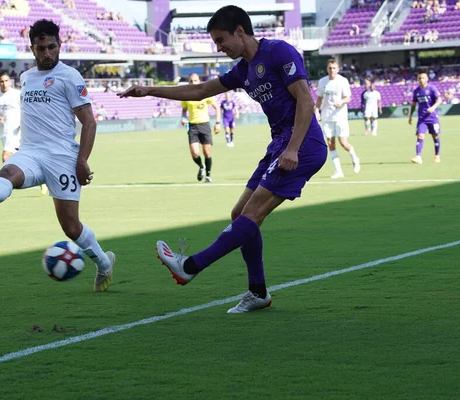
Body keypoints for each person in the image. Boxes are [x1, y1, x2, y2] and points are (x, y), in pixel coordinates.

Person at [118, 5, 327, 313]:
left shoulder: (279, 51)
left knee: (251, 215)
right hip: (279, 143)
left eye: (220, 40)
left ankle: (190, 265)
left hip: (303, 142)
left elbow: (305, 99)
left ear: (239, 31)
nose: (219, 47)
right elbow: (201, 89)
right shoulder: (243, 69)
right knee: (240, 213)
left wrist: (293, 148)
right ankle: (258, 292)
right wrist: (150, 90)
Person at [0, 19, 116, 292]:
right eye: (41, 48)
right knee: (7, 173)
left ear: (59, 45)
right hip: (29, 152)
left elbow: (89, 122)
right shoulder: (26, 77)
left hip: (62, 157)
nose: (47, 53)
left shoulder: (70, 76)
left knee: (71, 227)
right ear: (32, 48)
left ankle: (103, 263)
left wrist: (82, 160)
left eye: (52, 46)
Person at [0, 71, 49, 196]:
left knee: (6, 157)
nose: (4, 84)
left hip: (16, 130)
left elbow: (28, 108)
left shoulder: (16, 94)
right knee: (21, 156)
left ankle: (4, 184)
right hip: (3, 131)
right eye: (1, 81)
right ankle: (40, 179)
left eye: (6, 81)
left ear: (10, 82)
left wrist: (24, 121)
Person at [315, 59, 361, 179]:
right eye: (330, 68)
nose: (332, 70)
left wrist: (340, 102)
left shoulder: (342, 81)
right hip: (327, 117)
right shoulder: (322, 82)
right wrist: (316, 110)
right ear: (327, 69)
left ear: (338, 69)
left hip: (340, 116)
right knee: (331, 144)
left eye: (334, 68)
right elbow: (319, 98)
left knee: (343, 143)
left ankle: (355, 158)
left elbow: (348, 98)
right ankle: (338, 171)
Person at [181, 73, 221, 183]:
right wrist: (183, 118)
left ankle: (208, 175)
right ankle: (201, 165)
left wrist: (217, 122)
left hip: (204, 124)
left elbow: (217, 107)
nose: (193, 83)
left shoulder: (205, 93)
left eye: (195, 80)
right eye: (191, 81)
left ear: (199, 81)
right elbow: (184, 110)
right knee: (194, 152)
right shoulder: (186, 95)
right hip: (192, 126)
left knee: (207, 152)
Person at [408, 71, 442, 164]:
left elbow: (439, 99)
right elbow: (414, 104)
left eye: (423, 78)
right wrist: (410, 116)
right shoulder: (416, 91)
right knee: (420, 135)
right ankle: (418, 157)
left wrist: (433, 107)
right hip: (422, 118)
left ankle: (437, 155)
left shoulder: (432, 88)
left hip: (433, 118)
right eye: (419, 78)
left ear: (427, 79)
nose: (421, 80)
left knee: (435, 136)